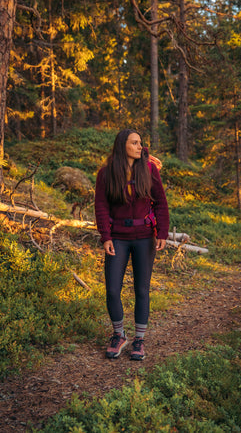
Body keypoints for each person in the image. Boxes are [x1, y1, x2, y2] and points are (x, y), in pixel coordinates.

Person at [95, 129, 169, 360]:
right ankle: (119, 335)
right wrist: (106, 236)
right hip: (118, 237)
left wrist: (162, 233)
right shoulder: (106, 173)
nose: (140, 147)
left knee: (141, 290)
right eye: (134, 143)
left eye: (141, 143)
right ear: (122, 145)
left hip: (145, 237)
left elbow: (161, 203)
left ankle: (139, 340)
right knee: (112, 290)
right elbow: (101, 206)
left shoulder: (149, 170)